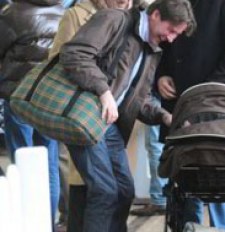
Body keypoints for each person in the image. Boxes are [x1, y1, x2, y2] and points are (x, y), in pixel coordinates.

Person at [59, 0, 196, 231]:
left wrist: (164, 116)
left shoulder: (152, 48)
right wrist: (103, 91)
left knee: (124, 190)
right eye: (171, 30)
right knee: (104, 190)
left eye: (177, 34)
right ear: (154, 15)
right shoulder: (114, 19)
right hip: (86, 117)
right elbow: (73, 54)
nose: (172, 38)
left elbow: (136, 101)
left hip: (108, 125)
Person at [157, 0, 225, 230]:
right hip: (178, 103)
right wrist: (161, 75)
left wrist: (206, 91)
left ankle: (221, 229)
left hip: (217, 103)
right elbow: (161, 42)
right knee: (183, 174)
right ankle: (189, 226)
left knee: (220, 172)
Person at [48, 0, 130, 231]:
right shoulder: (75, 15)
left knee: (113, 188)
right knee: (85, 183)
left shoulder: (131, 19)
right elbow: (57, 61)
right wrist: (94, 88)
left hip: (110, 119)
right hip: (81, 115)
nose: (125, 2)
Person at [0, 0, 64, 229]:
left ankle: (30, 222)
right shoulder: (62, 11)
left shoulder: (13, 14)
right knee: (49, 164)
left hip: (19, 96)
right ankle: (48, 222)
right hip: (50, 98)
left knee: (23, 159)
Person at [130, 93, 167, 216]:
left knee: (155, 145)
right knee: (159, 146)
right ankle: (162, 198)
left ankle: (159, 200)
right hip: (175, 93)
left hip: (160, 95)